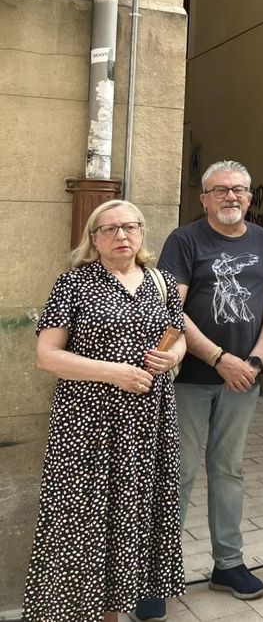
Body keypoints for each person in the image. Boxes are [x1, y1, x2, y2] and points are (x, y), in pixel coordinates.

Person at [24, 200, 187, 622]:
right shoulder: (73, 283)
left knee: (132, 516)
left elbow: (179, 336)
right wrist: (113, 372)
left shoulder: (162, 281)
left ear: (142, 233)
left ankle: (118, 608)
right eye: (109, 229)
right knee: (85, 520)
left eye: (129, 227)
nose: (121, 236)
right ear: (93, 239)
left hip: (148, 424)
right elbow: (47, 356)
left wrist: (173, 358)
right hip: (87, 427)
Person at [159, 160, 263, 603]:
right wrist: (220, 359)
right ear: (204, 198)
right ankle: (157, 576)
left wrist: (252, 361)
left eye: (238, 190)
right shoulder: (184, 240)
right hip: (190, 379)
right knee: (179, 473)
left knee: (228, 471)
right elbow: (170, 311)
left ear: (249, 197)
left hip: (243, 381)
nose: (230, 197)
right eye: (220, 190)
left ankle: (228, 564)